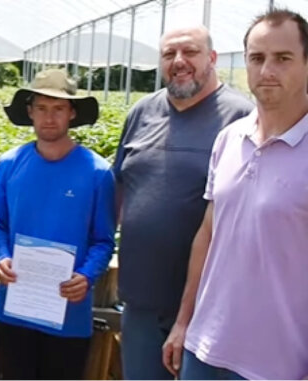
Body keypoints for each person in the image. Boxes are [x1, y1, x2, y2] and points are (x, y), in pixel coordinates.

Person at [162, 9, 308, 380]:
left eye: (283, 58)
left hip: (280, 364)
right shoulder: (229, 138)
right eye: (257, 58)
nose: (267, 70)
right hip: (205, 349)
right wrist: (184, 322)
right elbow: (209, 234)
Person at [113, 26, 254, 379]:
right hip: (142, 302)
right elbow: (120, 187)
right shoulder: (141, 113)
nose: (179, 62)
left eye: (189, 52)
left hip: (210, 311)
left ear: (212, 58)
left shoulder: (240, 119)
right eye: (168, 55)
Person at [0, 69, 116, 380]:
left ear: (72, 113)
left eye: (59, 108)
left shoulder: (97, 172)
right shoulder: (9, 164)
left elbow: (103, 240)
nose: (49, 117)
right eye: (42, 108)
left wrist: (86, 276)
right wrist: (2, 257)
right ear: (30, 111)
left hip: (67, 315)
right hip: (14, 310)